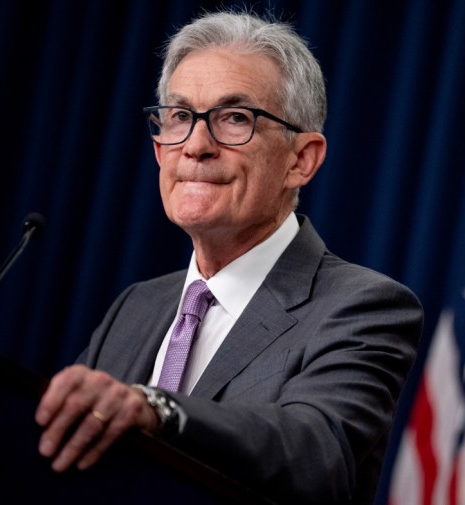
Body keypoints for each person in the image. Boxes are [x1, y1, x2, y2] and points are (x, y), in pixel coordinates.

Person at [34, 9, 423, 505]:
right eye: (179, 117)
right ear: (159, 146)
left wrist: (158, 409)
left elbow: (315, 450)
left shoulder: (364, 306)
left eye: (235, 118)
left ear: (300, 160)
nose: (196, 145)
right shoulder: (138, 306)